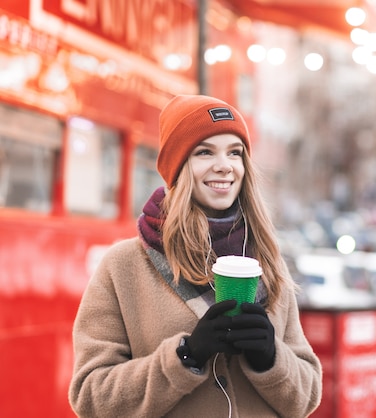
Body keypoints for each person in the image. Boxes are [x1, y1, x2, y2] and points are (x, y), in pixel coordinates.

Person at [69, 95, 323, 417]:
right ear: (177, 166)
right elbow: (91, 397)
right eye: (205, 152)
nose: (224, 165)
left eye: (235, 152)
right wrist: (186, 356)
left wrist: (271, 358)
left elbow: (307, 395)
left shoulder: (266, 260)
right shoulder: (124, 266)